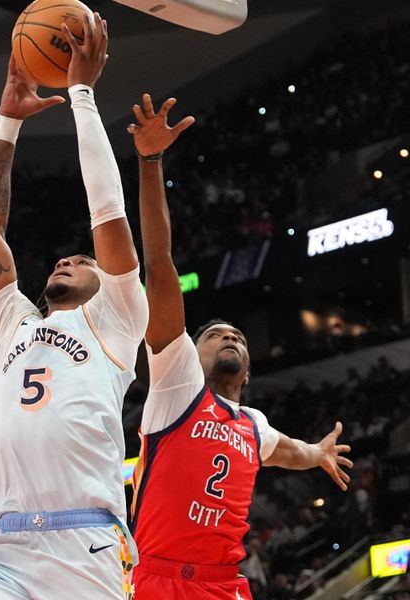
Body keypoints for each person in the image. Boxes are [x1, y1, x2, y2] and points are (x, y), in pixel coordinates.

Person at [0, 12, 146, 600]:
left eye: (81, 261)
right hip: (4, 546)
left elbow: (107, 209)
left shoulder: (116, 317)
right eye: (63, 259)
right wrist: (6, 119)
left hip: (86, 549)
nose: (65, 260)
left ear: (104, 278)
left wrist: (81, 94)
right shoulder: (13, 323)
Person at [126, 93, 354, 599]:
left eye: (239, 338)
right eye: (214, 335)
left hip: (226, 587)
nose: (229, 337)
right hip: (158, 580)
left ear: (247, 372)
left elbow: (287, 452)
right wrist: (149, 160)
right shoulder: (176, 381)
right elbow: (160, 266)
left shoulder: (255, 426)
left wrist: (316, 454)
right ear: (191, 351)